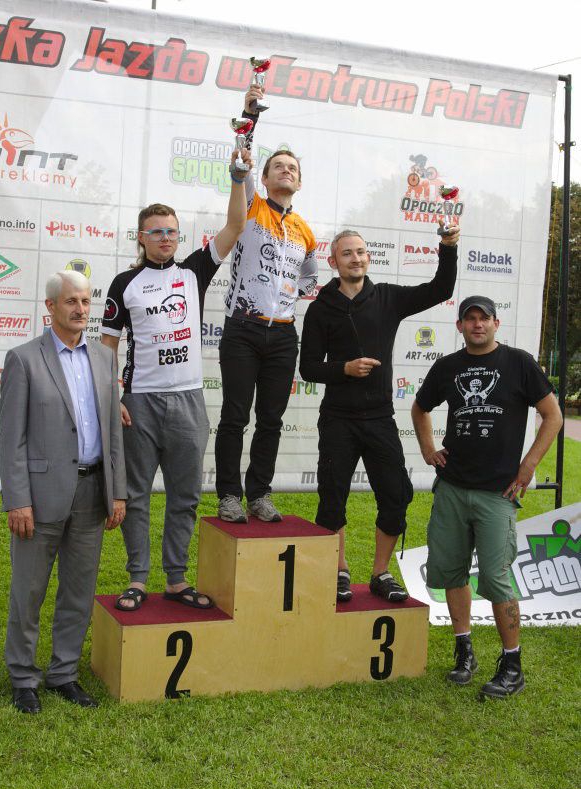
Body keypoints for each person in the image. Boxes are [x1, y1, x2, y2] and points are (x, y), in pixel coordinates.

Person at [100, 147, 250, 612]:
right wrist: (111, 397)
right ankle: (137, 579)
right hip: (139, 402)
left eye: (171, 231)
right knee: (136, 495)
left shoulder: (193, 271)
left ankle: (176, 579)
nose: (166, 238)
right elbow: (106, 349)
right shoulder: (124, 283)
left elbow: (236, 225)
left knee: (185, 496)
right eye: (157, 232)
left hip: (187, 401)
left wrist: (238, 177)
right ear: (141, 238)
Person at [411, 296, 562, 699]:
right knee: (451, 573)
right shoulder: (447, 367)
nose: (477, 324)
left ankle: (512, 665)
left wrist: (528, 465)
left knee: (496, 579)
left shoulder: (519, 363)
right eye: (470, 319)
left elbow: (553, 415)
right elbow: (420, 408)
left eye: (484, 318)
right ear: (460, 326)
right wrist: (428, 449)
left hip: (498, 492)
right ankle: (465, 652)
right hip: (452, 488)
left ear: (496, 323)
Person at [299, 224, 459, 603]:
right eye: (347, 253)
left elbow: (441, 289)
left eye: (361, 252)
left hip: (379, 419)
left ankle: (380, 573)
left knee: (396, 495)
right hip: (338, 419)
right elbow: (308, 368)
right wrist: (345, 368)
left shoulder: (387, 297)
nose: (355, 258)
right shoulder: (320, 309)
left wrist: (448, 246)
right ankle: (339, 571)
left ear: (368, 257)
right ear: (333, 261)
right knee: (332, 499)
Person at [0, 271, 126, 713]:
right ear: (50, 307)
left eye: (86, 301)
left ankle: (64, 673)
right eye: (71, 301)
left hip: (93, 492)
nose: (80, 309)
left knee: (78, 590)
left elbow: (112, 432)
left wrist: (118, 492)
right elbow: (11, 440)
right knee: (28, 591)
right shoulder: (23, 360)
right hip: (40, 497)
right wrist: (18, 500)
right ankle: (23, 677)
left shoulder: (105, 360)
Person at [215, 85, 318, 524]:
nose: (286, 171)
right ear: (267, 176)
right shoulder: (253, 203)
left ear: (299, 181)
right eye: (278, 166)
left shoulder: (306, 231)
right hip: (242, 327)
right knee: (235, 416)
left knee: (271, 419)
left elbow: (309, 279)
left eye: (292, 168)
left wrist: (292, 298)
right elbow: (242, 161)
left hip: (283, 334)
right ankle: (228, 495)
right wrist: (248, 117)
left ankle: (259, 493)